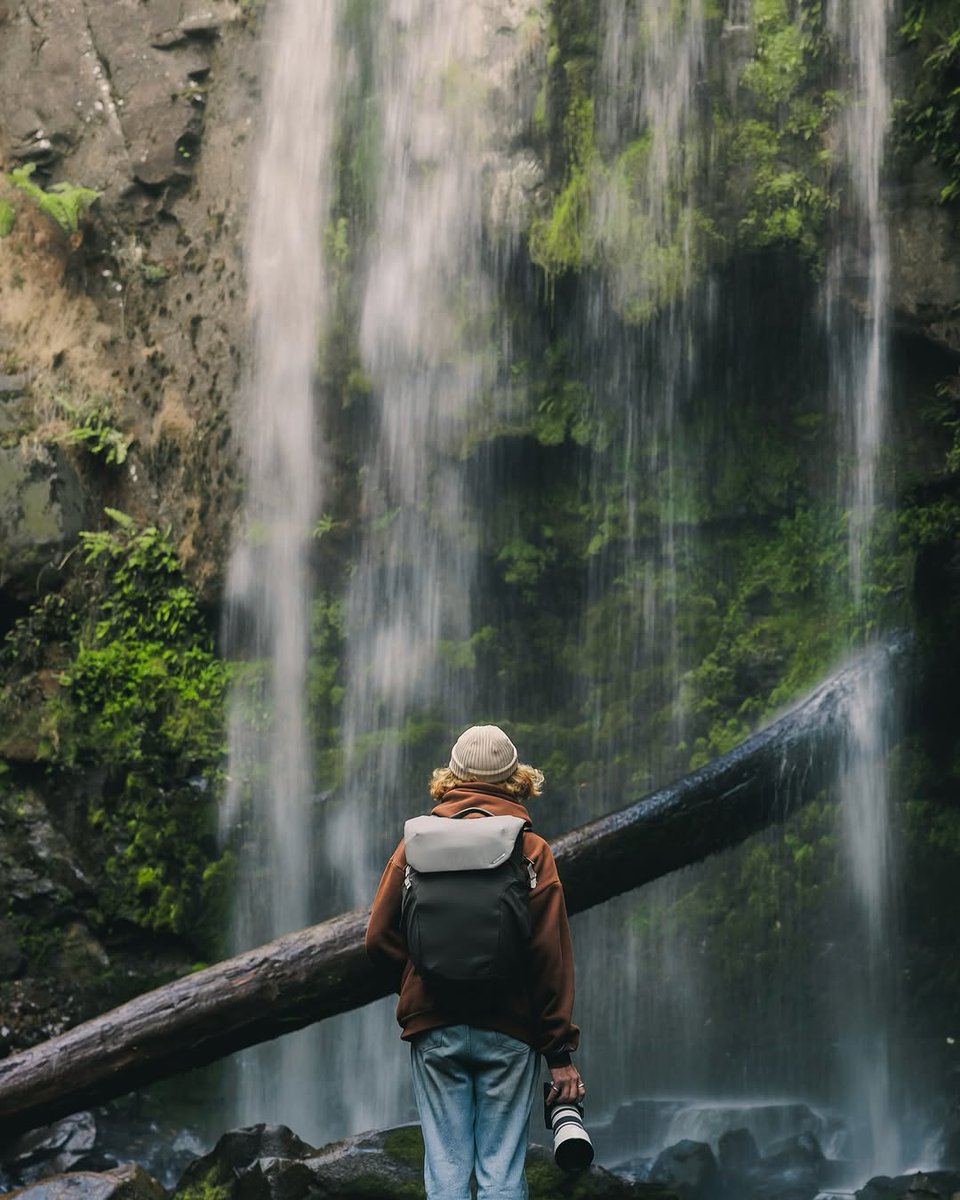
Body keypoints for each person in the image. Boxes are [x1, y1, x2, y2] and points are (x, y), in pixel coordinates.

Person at [365, 723, 585, 1200]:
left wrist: (422, 979)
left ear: (451, 777)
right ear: (516, 779)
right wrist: (559, 1056)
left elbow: (378, 938)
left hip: (434, 1027)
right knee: (502, 1173)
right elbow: (549, 958)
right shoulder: (532, 852)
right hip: (509, 1029)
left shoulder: (413, 846)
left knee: (445, 1171)